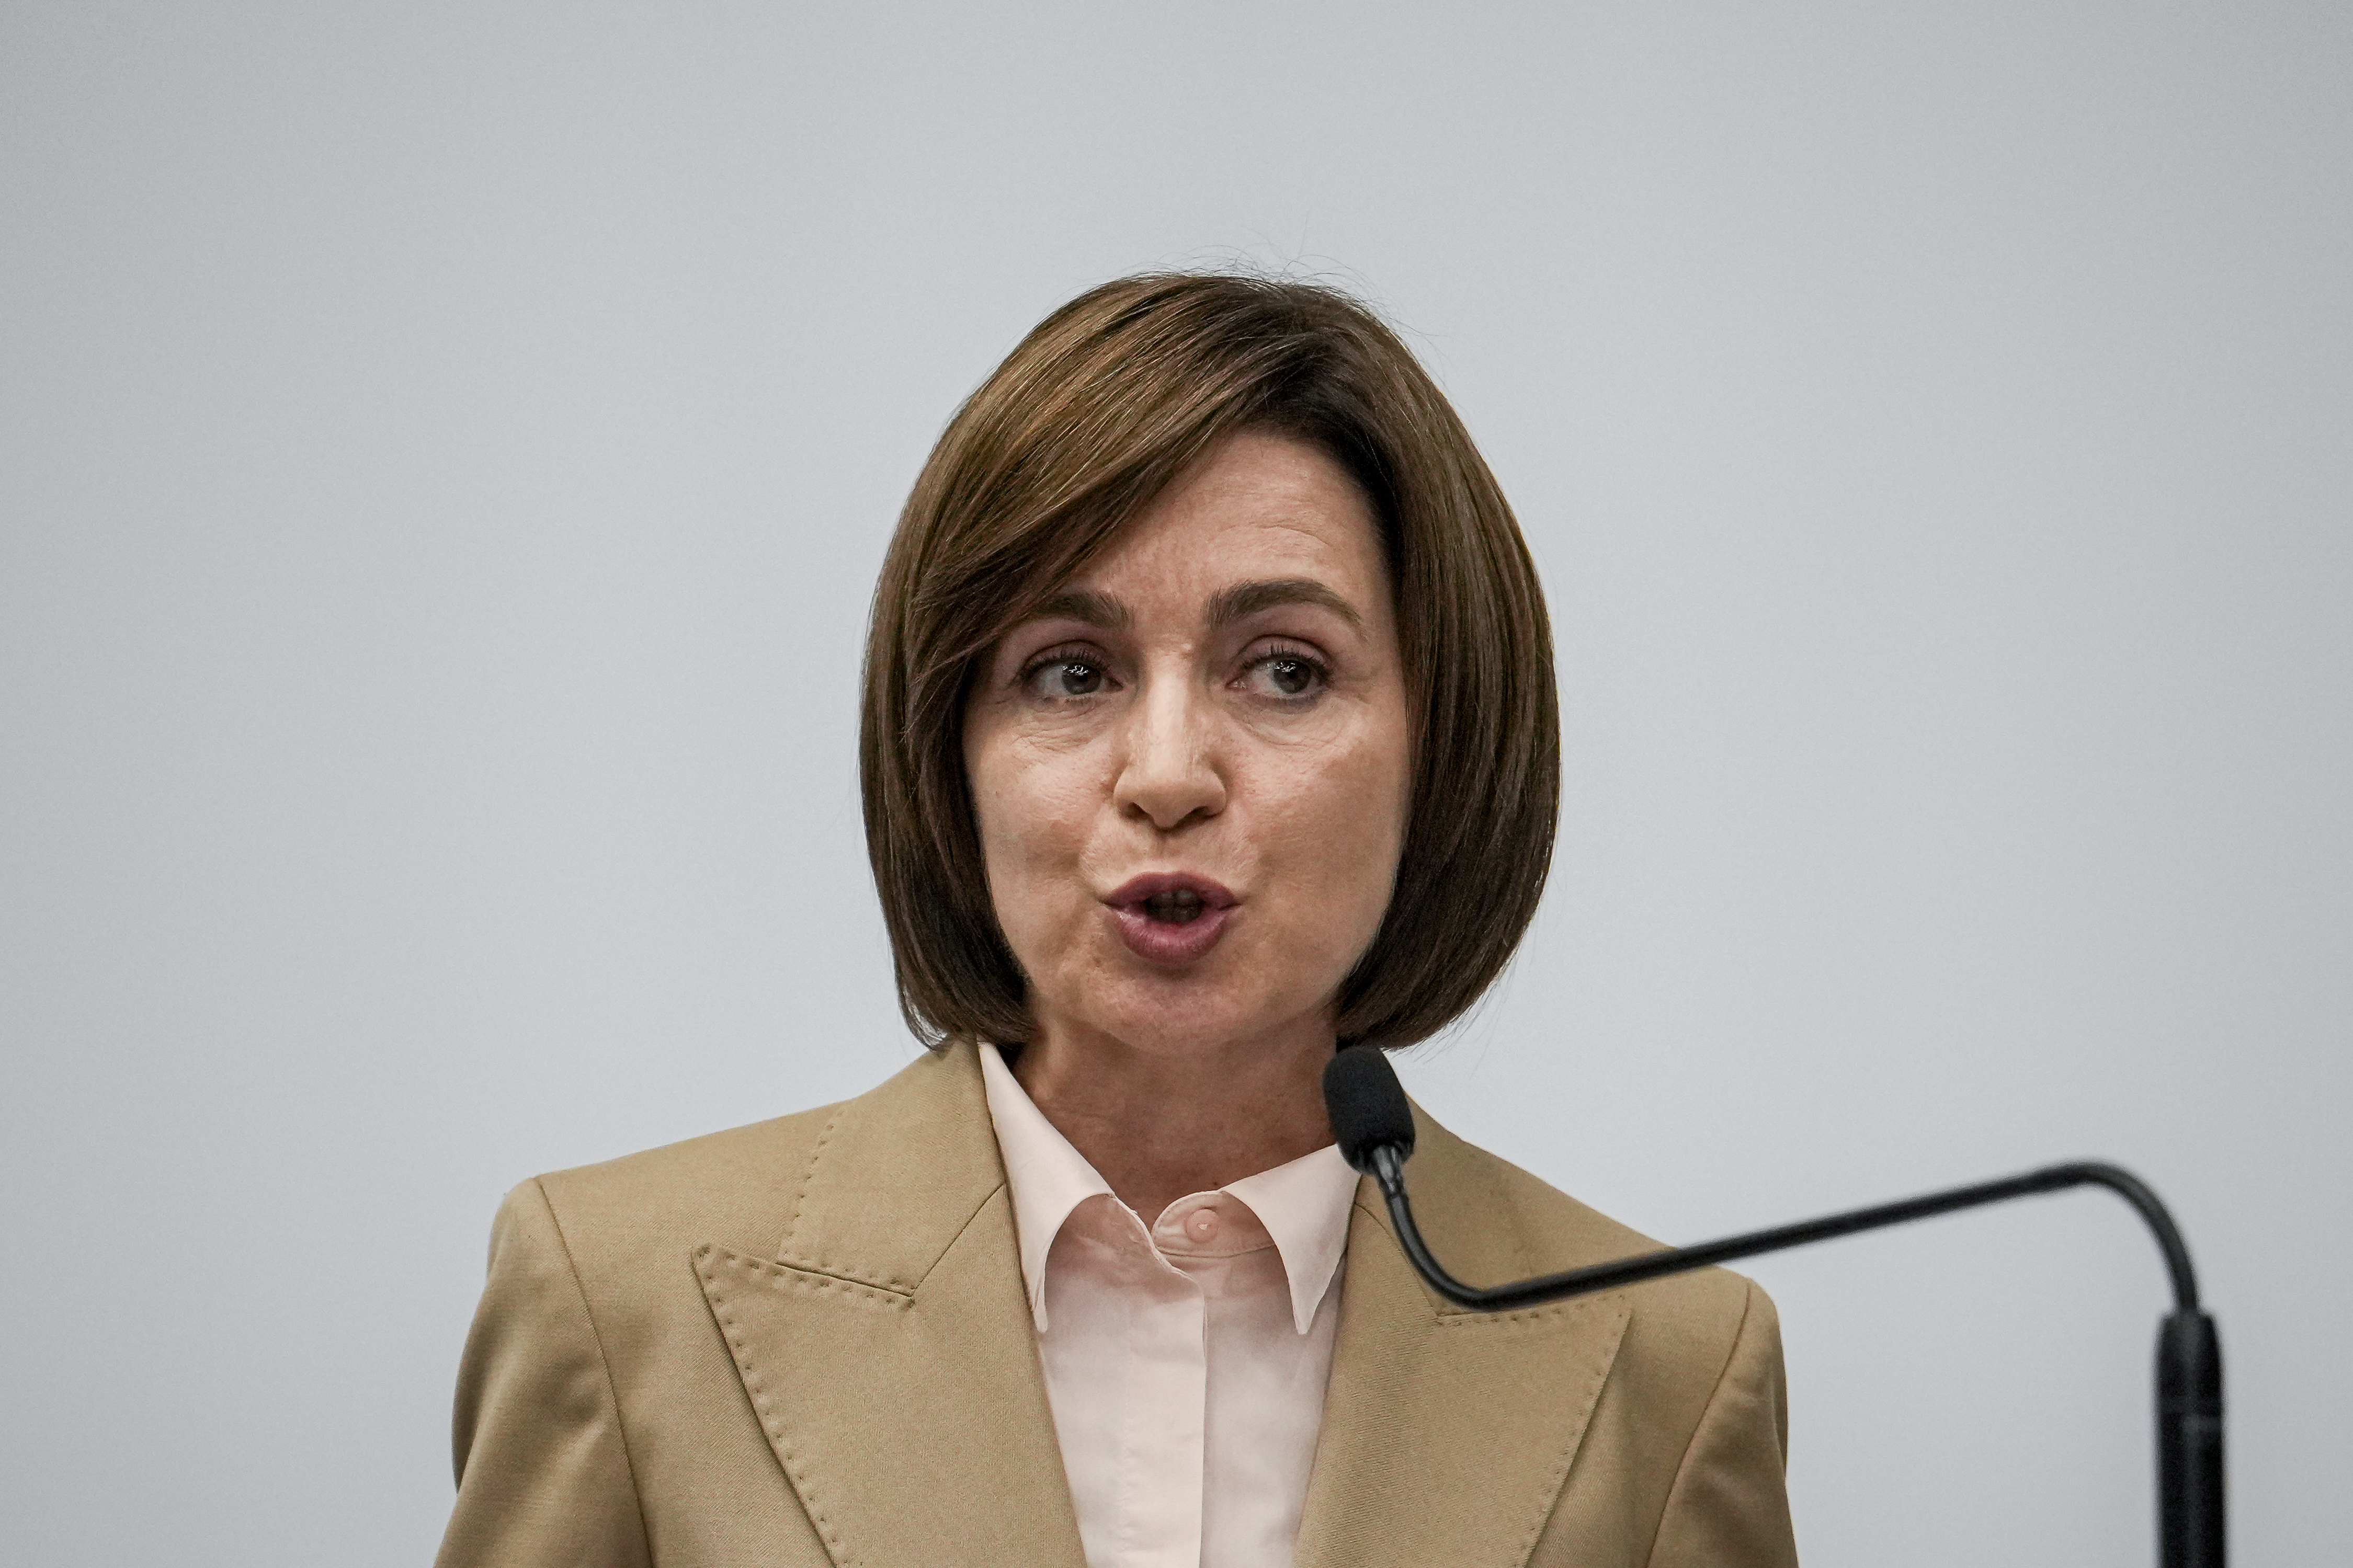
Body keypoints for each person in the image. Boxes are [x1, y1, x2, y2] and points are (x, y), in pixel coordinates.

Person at [433, 273, 1799, 1567]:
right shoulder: (620, 1301)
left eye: (1283, 669)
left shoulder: (1663, 1364)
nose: (1163, 775)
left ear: (1439, 750)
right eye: (1069, 671)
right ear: (945, 753)